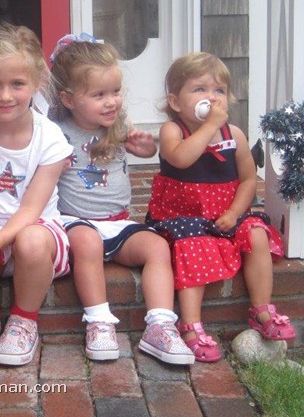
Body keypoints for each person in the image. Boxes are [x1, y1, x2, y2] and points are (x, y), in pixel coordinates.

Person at [49, 35, 195, 365]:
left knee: (158, 247)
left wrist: (145, 147)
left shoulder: (119, 122)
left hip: (118, 222)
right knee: (87, 243)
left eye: (115, 91)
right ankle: (99, 321)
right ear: (68, 99)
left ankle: (160, 326)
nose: (111, 102)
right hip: (75, 221)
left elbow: (145, 149)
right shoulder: (55, 129)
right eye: (98, 95)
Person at [146, 52, 296, 362]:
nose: (211, 97)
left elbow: (248, 180)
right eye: (199, 89)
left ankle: (261, 310)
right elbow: (182, 158)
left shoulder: (234, 135)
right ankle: (190, 325)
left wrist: (234, 213)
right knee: (195, 247)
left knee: (256, 234)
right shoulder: (173, 131)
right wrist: (210, 126)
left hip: (226, 214)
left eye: (219, 90)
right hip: (182, 217)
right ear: (176, 102)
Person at [0, 22, 73, 367]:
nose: (5, 95)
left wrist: (2, 237)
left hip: (38, 237)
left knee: (31, 239)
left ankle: (23, 320)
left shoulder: (50, 138)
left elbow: (32, 208)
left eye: (17, 84)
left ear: (36, 83)